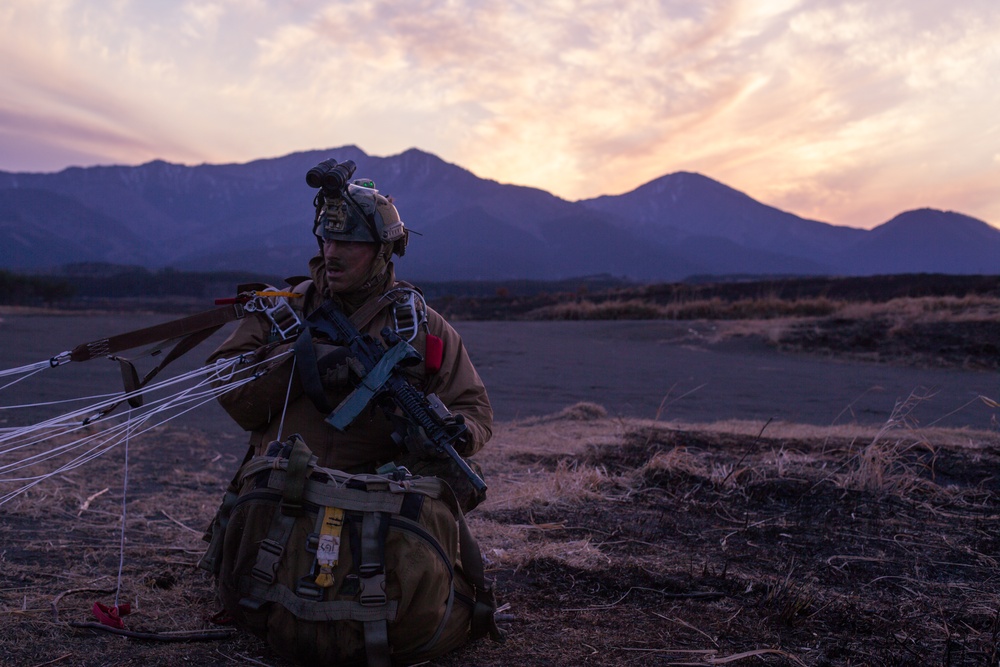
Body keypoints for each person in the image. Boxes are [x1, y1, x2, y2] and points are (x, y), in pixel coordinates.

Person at [206, 167, 492, 510]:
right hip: (280, 493)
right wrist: (302, 361)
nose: (332, 253)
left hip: (375, 503)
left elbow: (473, 408)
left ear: (383, 250)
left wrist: (457, 432)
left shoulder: (420, 327)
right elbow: (224, 383)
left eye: (349, 242)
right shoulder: (283, 312)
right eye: (327, 239)